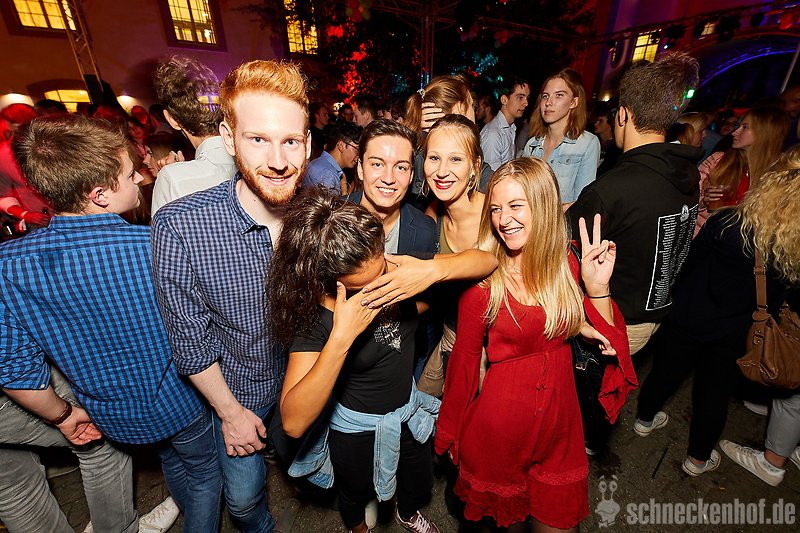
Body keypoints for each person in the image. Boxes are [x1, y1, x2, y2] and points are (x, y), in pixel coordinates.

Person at [3, 114, 223, 532]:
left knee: (170, 460)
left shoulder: (9, 265)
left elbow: (16, 373)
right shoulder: (155, 245)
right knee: (202, 472)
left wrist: (63, 417)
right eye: (129, 174)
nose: (140, 178)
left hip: (111, 417)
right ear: (100, 194)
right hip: (183, 403)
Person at [152, 59, 328, 532]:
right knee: (245, 502)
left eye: (290, 141)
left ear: (308, 142)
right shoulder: (182, 226)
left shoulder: (320, 214)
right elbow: (189, 343)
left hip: (304, 381)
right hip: (239, 395)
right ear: (229, 139)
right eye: (258, 139)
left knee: (312, 471)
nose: (278, 160)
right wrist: (230, 414)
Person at [435, 158, 635, 532]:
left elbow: (613, 344)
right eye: (496, 209)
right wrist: (450, 433)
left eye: (515, 205)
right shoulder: (484, 284)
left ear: (542, 206)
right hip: (500, 431)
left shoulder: (567, 263)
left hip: (561, 426)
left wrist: (597, 289)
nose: (503, 219)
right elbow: (464, 363)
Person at [634, 145, 800, 477]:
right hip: (739, 333)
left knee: (665, 372)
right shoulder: (793, 249)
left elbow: (688, 265)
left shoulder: (727, 222)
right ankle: (697, 460)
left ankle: (644, 421)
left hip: (689, 317)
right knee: (714, 394)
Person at [567, 52, 702, 355]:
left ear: (623, 115)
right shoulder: (686, 174)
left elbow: (561, 250)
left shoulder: (613, 188)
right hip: (653, 316)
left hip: (610, 322)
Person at [417, 114, 485, 394]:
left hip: (495, 348)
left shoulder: (497, 215)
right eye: (434, 158)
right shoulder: (431, 216)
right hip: (451, 335)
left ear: (475, 166)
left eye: (455, 159)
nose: (442, 171)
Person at [150, 55, 237, 214]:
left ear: (172, 120)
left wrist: (171, 176)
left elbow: (161, 230)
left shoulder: (173, 178)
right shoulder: (254, 163)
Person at [694, 106, 789, 236]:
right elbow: (686, 201)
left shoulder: (778, 175)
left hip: (741, 244)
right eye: (738, 126)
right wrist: (703, 202)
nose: (734, 132)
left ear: (764, 133)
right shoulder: (719, 161)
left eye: (744, 127)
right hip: (701, 239)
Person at [404, 74, 490, 199]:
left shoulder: (412, 147)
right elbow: (490, 182)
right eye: (472, 106)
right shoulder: (420, 153)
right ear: (460, 108)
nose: (474, 112)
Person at [523, 69, 600, 205]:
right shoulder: (532, 145)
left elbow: (582, 202)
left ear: (574, 102)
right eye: (545, 96)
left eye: (559, 95)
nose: (548, 102)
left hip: (563, 219)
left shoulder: (587, 144)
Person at [480, 76, 529, 171]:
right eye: (520, 97)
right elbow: (491, 176)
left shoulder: (511, 128)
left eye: (527, 98)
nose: (526, 103)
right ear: (504, 100)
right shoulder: (493, 134)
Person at [302, 121, 362, 194]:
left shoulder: (321, 164)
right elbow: (329, 202)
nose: (359, 155)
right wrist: (345, 192)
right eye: (357, 149)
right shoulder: (327, 174)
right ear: (341, 146)